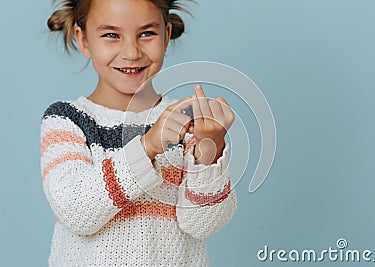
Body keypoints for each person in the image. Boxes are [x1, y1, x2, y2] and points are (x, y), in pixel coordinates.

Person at [41, 0, 237, 266]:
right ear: (83, 39)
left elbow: (202, 224)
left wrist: (210, 149)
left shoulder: (190, 123)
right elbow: (77, 210)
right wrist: (147, 147)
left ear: (166, 36)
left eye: (147, 33)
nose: (131, 52)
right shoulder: (67, 120)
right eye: (111, 35)